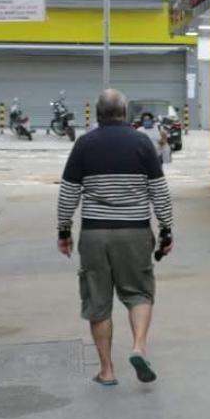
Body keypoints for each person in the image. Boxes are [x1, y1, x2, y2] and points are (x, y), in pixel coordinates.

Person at [57, 88, 174, 387]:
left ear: (97, 114)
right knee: (139, 292)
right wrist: (166, 229)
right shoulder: (142, 143)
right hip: (134, 231)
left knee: (98, 301)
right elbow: (158, 191)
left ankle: (107, 370)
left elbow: (69, 192)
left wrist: (64, 231)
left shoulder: (84, 144)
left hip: (95, 233)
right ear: (125, 113)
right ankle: (138, 347)